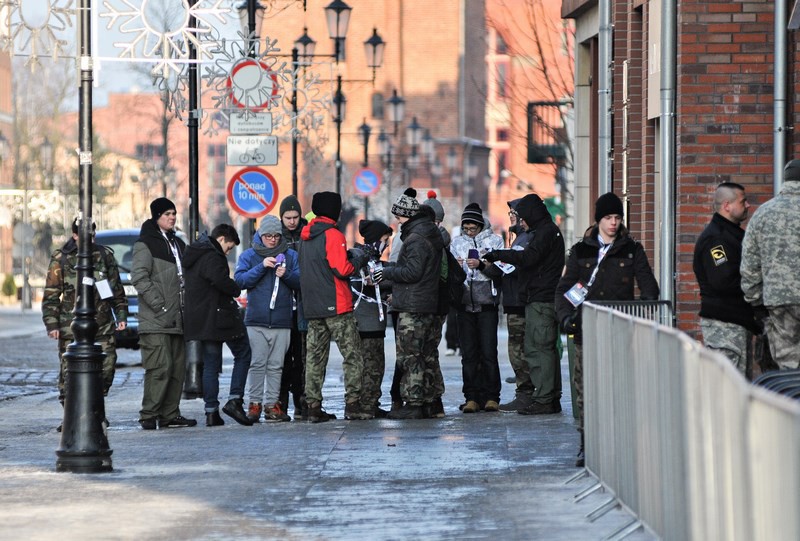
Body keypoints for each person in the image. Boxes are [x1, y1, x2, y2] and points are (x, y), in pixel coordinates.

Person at [554, 192, 659, 467]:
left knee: (621, 388)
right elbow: (564, 291)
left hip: (621, 330)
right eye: (608, 218)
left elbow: (649, 288)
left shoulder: (631, 249)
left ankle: (621, 443)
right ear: (598, 220)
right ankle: (588, 444)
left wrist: (643, 317)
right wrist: (567, 319)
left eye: (617, 218)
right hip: (587, 330)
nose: (613, 223)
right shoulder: (581, 251)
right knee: (587, 389)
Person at [483, 193, 565, 418]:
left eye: (521, 217)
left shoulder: (544, 233)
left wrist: (498, 255)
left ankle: (545, 399)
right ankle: (548, 396)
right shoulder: (546, 231)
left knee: (538, 349)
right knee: (541, 348)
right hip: (539, 297)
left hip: (541, 299)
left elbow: (528, 259)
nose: (520, 222)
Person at [42, 217, 128, 420]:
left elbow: (116, 290)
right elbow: (51, 294)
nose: (90, 239)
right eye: (84, 236)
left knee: (107, 367)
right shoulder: (61, 258)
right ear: (74, 236)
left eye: (92, 235)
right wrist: (52, 324)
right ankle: (73, 416)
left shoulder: (104, 256)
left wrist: (121, 314)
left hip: (102, 324)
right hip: (70, 326)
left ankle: (94, 408)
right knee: (69, 372)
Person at [299, 191, 372, 422]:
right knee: (353, 356)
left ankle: (313, 407)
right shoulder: (333, 234)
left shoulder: (305, 236)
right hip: (337, 305)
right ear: (333, 210)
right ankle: (353, 405)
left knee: (314, 358)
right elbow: (342, 269)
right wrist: (359, 258)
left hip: (312, 306)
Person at [131, 197, 196, 430]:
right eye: (167, 214)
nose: (172, 217)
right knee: (160, 367)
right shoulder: (145, 244)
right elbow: (138, 277)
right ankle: (149, 414)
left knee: (177, 369)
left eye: (174, 214)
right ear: (156, 216)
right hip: (155, 319)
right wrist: (159, 305)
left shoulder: (177, 244)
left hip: (177, 318)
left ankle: (170, 413)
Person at [381, 188, 445, 420]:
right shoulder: (426, 233)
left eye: (398, 216)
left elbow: (412, 272)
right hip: (425, 302)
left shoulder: (416, 238)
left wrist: (387, 272)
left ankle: (415, 402)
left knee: (410, 355)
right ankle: (431, 401)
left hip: (413, 304)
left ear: (406, 215)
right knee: (426, 354)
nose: (396, 221)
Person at [182, 224, 253, 427]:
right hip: (219, 316)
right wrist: (236, 288)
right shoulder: (211, 255)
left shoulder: (196, 252)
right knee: (244, 352)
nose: (228, 251)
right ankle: (234, 400)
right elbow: (220, 281)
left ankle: (211, 412)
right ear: (221, 239)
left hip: (202, 318)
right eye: (229, 247)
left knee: (211, 365)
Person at [235, 215, 301, 423]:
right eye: (268, 236)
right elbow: (240, 281)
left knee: (276, 365)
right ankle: (254, 404)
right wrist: (262, 266)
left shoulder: (290, 256)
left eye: (275, 236)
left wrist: (287, 274)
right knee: (257, 363)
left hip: (282, 320)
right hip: (256, 320)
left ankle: (272, 405)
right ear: (260, 235)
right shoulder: (249, 255)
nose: (272, 240)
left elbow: (300, 282)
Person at [693, 183, 761, 377]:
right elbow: (723, 281)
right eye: (743, 201)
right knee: (728, 386)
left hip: (736, 323)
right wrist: (756, 285)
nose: (748, 205)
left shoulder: (731, 235)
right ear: (727, 205)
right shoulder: (716, 239)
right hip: (725, 327)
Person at [742, 159, 800, 371]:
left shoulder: (763, 214)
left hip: (779, 301)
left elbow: (749, 265)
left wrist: (755, 300)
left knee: (788, 363)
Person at [450, 202, 504, 413]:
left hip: (487, 304)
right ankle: (471, 396)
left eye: (473, 228)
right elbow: (451, 272)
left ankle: (492, 396)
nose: (469, 231)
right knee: (469, 354)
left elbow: (500, 271)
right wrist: (458, 265)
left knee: (489, 352)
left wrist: (481, 265)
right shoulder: (456, 243)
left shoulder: (495, 241)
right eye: (466, 228)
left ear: (481, 225)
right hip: (464, 304)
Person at [351, 219, 393, 417]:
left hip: (374, 321)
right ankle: (366, 404)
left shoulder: (375, 261)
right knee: (370, 365)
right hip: (365, 322)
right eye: (385, 239)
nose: (386, 244)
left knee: (375, 365)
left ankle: (370, 402)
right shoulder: (358, 258)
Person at [498, 199, 535, 412]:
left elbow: (512, 266)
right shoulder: (520, 236)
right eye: (510, 212)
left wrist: (489, 264)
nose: (511, 215)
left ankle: (526, 393)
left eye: (515, 212)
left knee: (519, 349)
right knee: (518, 348)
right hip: (515, 301)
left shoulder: (525, 238)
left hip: (518, 302)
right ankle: (526, 391)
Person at [277, 194, 309, 418]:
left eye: (295, 217)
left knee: (302, 357)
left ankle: (301, 401)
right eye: (287, 217)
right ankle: (281, 402)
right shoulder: (275, 237)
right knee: (282, 358)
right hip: (282, 305)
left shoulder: (307, 235)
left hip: (304, 303)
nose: (291, 221)